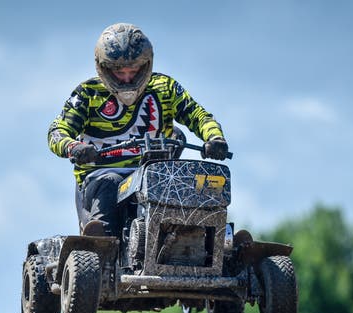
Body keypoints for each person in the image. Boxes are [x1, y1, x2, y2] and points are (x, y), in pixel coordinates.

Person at [48, 23, 229, 237]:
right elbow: (57, 131)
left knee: (194, 183)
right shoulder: (87, 93)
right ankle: (103, 250)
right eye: (119, 72)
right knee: (111, 184)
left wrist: (215, 138)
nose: (126, 78)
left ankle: (216, 240)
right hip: (103, 175)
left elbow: (199, 115)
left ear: (146, 66)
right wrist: (74, 147)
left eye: (133, 71)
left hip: (156, 174)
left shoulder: (165, 87)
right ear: (103, 68)